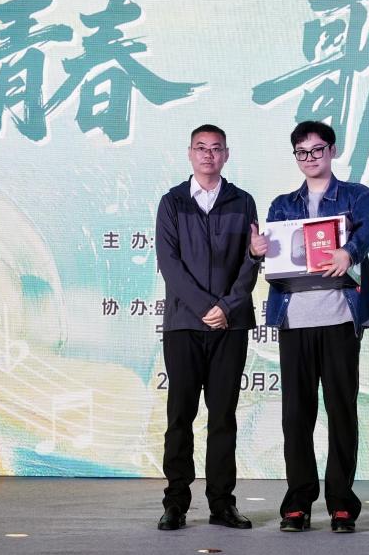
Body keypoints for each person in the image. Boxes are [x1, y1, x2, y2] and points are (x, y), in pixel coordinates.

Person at [264, 120, 369, 534]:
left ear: (332, 151)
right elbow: (273, 256)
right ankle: (298, 503)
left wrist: (348, 252)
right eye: (302, 152)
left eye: (317, 150)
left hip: (339, 318)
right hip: (294, 320)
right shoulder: (282, 204)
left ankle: (342, 504)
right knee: (296, 415)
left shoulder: (356, 195)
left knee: (341, 411)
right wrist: (257, 250)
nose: (310, 158)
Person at [155, 124, 268, 531]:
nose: (208, 155)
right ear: (190, 153)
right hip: (184, 324)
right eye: (201, 148)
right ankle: (175, 503)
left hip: (230, 327)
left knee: (223, 417)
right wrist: (207, 307)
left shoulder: (242, 201)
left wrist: (227, 306)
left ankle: (222, 504)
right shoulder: (172, 202)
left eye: (216, 148)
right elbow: (169, 263)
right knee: (180, 416)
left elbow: (249, 262)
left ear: (226, 155)